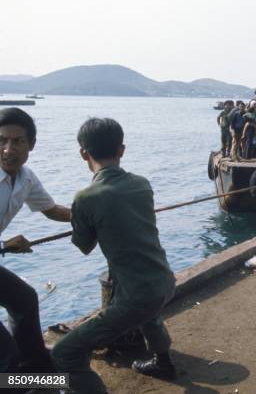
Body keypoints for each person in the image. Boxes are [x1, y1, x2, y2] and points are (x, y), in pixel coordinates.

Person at [51, 118, 177, 393]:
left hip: (137, 296)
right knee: (149, 314)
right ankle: (163, 362)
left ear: (84, 153)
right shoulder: (142, 184)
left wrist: (79, 217)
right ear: (121, 150)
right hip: (165, 281)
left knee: (62, 354)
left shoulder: (85, 197)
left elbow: (84, 245)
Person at [0, 108, 72, 374]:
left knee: (24, 299)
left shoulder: (26, 178)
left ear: (31, 144)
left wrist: (92, 215)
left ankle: (34, 369)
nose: (9, 149)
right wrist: (5, 245)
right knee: (4, 354)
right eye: (2, 141)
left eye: (18, 141)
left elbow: (53, 211)